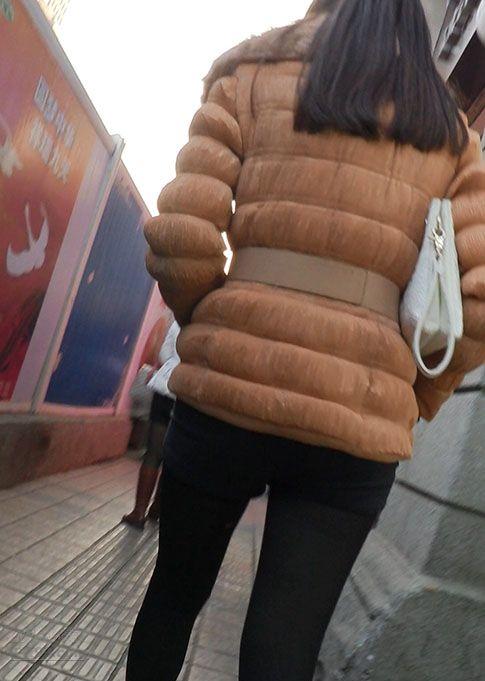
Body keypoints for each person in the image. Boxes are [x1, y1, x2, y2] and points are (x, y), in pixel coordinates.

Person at [127, 1, 485, 679]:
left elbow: (183, 233)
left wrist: (213, 326)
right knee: (284, 645)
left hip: (227, 388)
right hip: (355, 416)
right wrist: (414, 395)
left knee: (171, 599)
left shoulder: (250, 72)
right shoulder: (451, 132)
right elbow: (477, 299)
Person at [122, 317, 180, 529]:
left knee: (154, 453)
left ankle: (139, 513)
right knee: (174, 457)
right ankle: (157, 508)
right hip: (188, 398)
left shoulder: (176, 321)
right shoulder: (210, 325)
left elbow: (162, 354)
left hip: (165, 390)